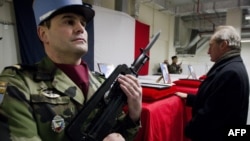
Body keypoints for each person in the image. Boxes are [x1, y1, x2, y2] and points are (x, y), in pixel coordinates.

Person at [0, 0, 142, 141]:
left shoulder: (100, 83)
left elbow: (118, 134)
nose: (80, 29)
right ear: (43, 34)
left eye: (83, 23)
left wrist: (134, 114)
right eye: (69, 21)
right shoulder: (17, 82)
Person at [175, 25, 249, 141]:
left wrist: (188, 129)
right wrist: (189, 98)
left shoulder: (230, 73)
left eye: (211, 46)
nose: (208, 51)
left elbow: (211, 114)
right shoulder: (232, 66)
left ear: (223, 45)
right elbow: (216, 99)